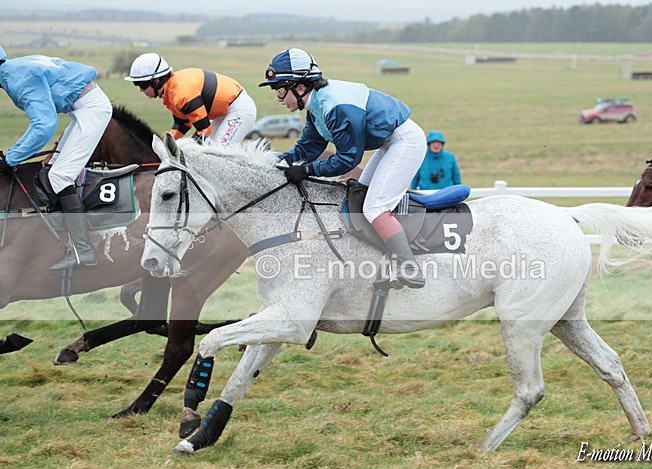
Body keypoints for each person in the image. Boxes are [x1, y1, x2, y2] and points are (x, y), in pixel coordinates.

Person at [259, 48, 427, 289]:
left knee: (375, 207)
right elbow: (308, 147)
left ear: (300, 87)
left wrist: (307, 171)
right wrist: (273, 162)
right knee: (359, 195)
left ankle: (410, 268)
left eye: (281, 90)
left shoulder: (335, 106)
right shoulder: (316, 105)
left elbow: (348, 159)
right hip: (389, 141)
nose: (279, 98)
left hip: (405, 141)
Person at [0, 45, 112, 270]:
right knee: (50, 169)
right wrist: (12, 156)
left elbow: (44, 126)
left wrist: (10, 159)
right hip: (83, 107)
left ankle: (83, 250)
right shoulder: (15, 67)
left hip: (90, 109)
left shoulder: (16, 80)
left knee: (60, 176)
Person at [125, 53, 256, 145]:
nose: (141, 90)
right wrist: (166, 145)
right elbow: (182, 124)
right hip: (223, 111)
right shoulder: (171, 91)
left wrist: (188, 149)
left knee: (219, 153)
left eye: (142, 85)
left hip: (239, 109)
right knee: (208, 151)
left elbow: (204, 131)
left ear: (156, 81)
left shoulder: (181, 93)